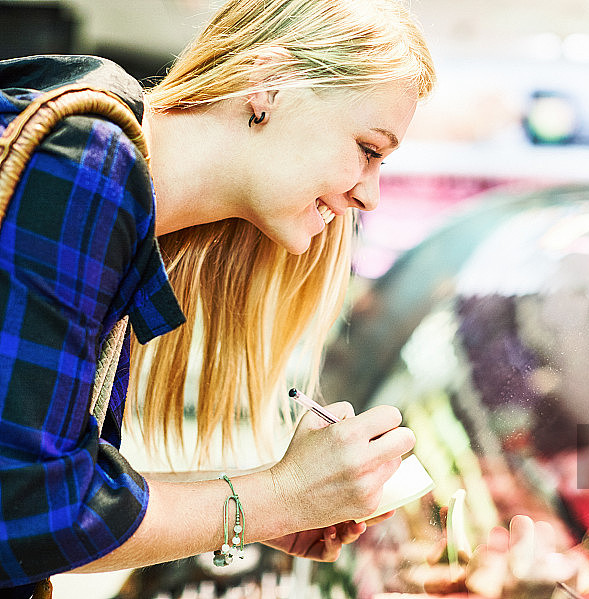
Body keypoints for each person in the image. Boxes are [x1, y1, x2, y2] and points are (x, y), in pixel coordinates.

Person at [0, 0, 435, 593]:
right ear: (265, 86)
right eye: (368, 148)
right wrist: (276, 500)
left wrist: (276, 503)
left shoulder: (113, 191)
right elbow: (28, 515)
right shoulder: (88, 166)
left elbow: (51, 496)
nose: (371, 195)